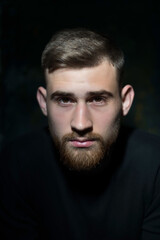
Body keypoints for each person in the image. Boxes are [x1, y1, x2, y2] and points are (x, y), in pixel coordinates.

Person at [0, 28, 160, 240]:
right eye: (65, 100)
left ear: (126, 101)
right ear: (43, 103)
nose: (81, 123)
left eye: (97, 99)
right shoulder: (13, 165)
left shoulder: (155, 164)